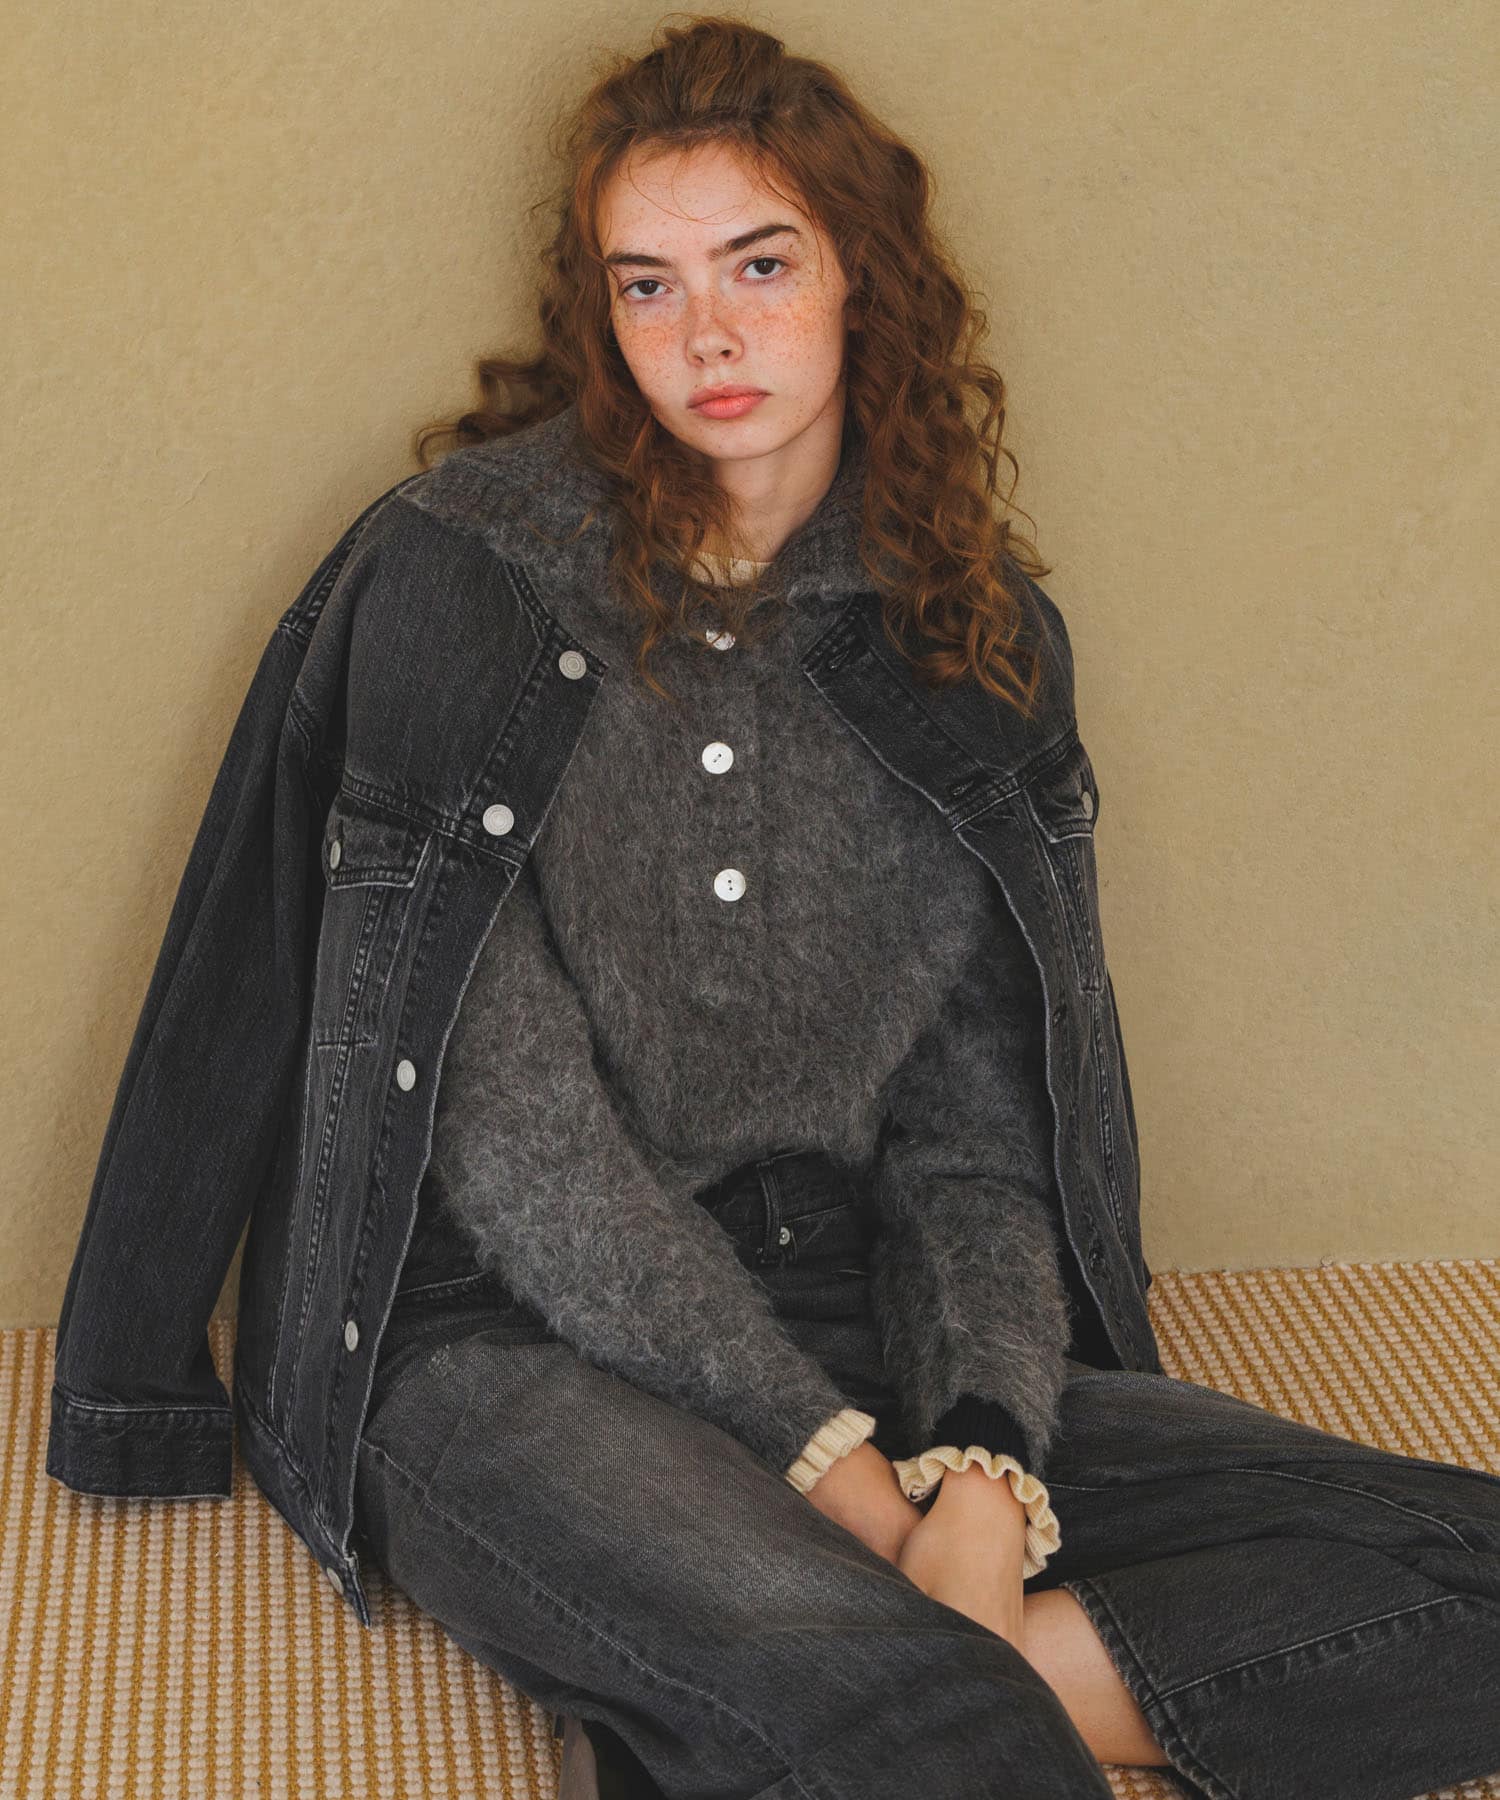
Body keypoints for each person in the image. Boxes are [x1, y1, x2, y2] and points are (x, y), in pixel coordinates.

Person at [47, 15, 1500, 1800]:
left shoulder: (971, 636)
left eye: (760, 263)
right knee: (910, 1710)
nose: (708, 337)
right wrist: (851, 1485)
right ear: (600, 315)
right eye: (646, 286)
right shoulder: (466, 582)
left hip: (848, 1288)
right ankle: (870, 1697)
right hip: (492, 1332)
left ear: (862, 278)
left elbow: (975, 1133)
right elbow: (519, 1145)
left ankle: (849, 1702)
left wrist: (983, 1472)